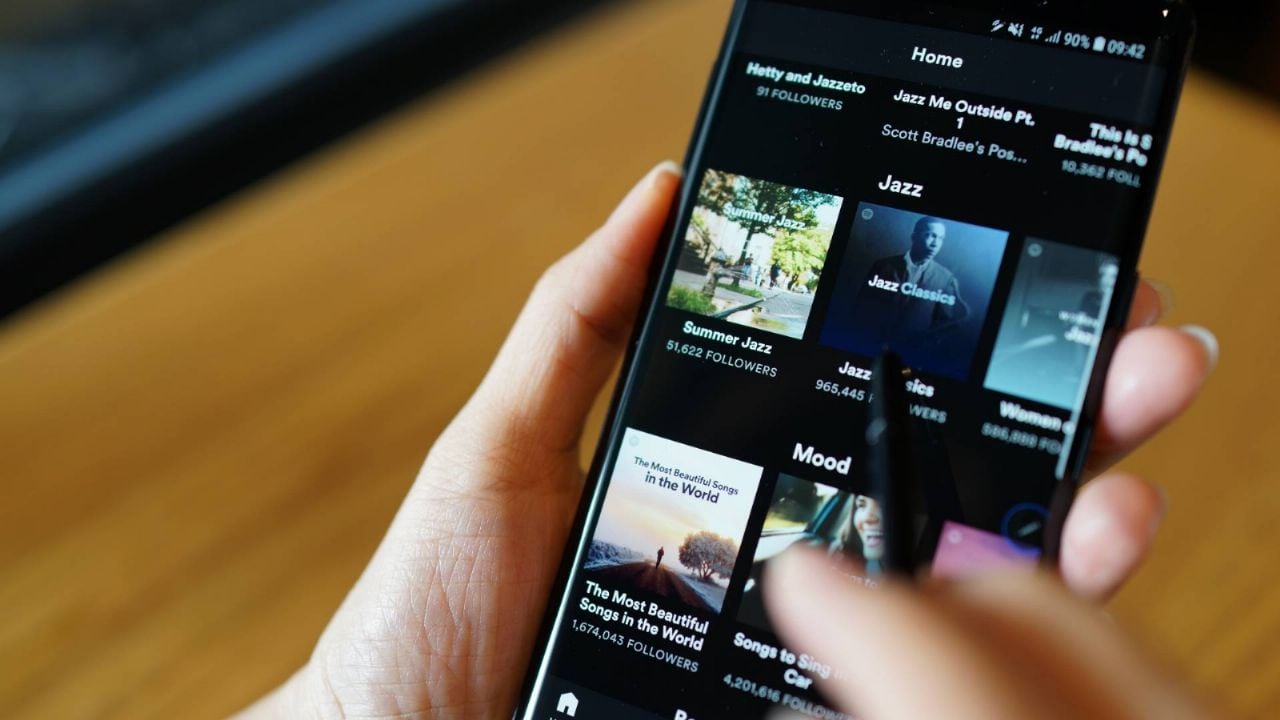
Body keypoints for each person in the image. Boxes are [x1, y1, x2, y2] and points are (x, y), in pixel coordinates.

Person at [237, 162, 1219, 719]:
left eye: (931, 243)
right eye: (916, 239)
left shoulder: (957, 291)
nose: (924, 244)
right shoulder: (871, 265)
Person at [858, 216, 971, 347]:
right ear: (914, 237)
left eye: (940, 238)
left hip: (911, 350)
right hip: (870, 342)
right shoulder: (883, 265)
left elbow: (942, 322)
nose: (935, 244)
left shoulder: (946, 278)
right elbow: (861, 307)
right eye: (930, 235)